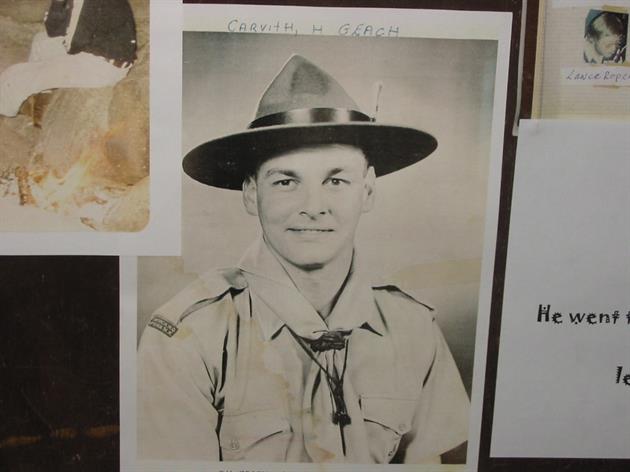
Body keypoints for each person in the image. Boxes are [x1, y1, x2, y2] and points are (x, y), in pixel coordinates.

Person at [138, 55, 470, 464]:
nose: (313, 207)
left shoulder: (412, 327)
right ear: (251, 193)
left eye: (336, 180)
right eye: (285, 181)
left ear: (367, 190)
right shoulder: (189, 338)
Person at [0, 0, 137, 117]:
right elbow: (53, 31)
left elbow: (74, 43)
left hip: (103, 67)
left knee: (14, 76)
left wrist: (49, 65)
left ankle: (8, 107)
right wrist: (59, 3)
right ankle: (41, 96)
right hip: (95, 51)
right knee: (41, 41)